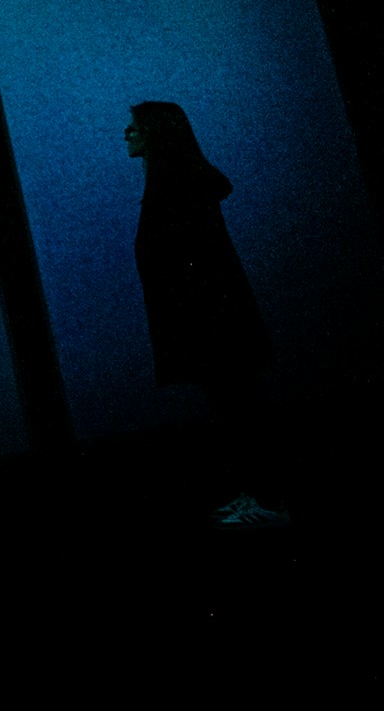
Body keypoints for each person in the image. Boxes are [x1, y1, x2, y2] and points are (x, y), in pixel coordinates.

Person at [126, 101, 287, 528]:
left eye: (136, 126)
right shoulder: (176, 183)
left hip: (210, 318)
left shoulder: (177, 186)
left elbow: (193, 258)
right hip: (209, 316)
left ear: (157, 133)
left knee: (238, 404)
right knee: (236, 403)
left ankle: (269, 498)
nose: (127, 133)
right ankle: (261, 492)